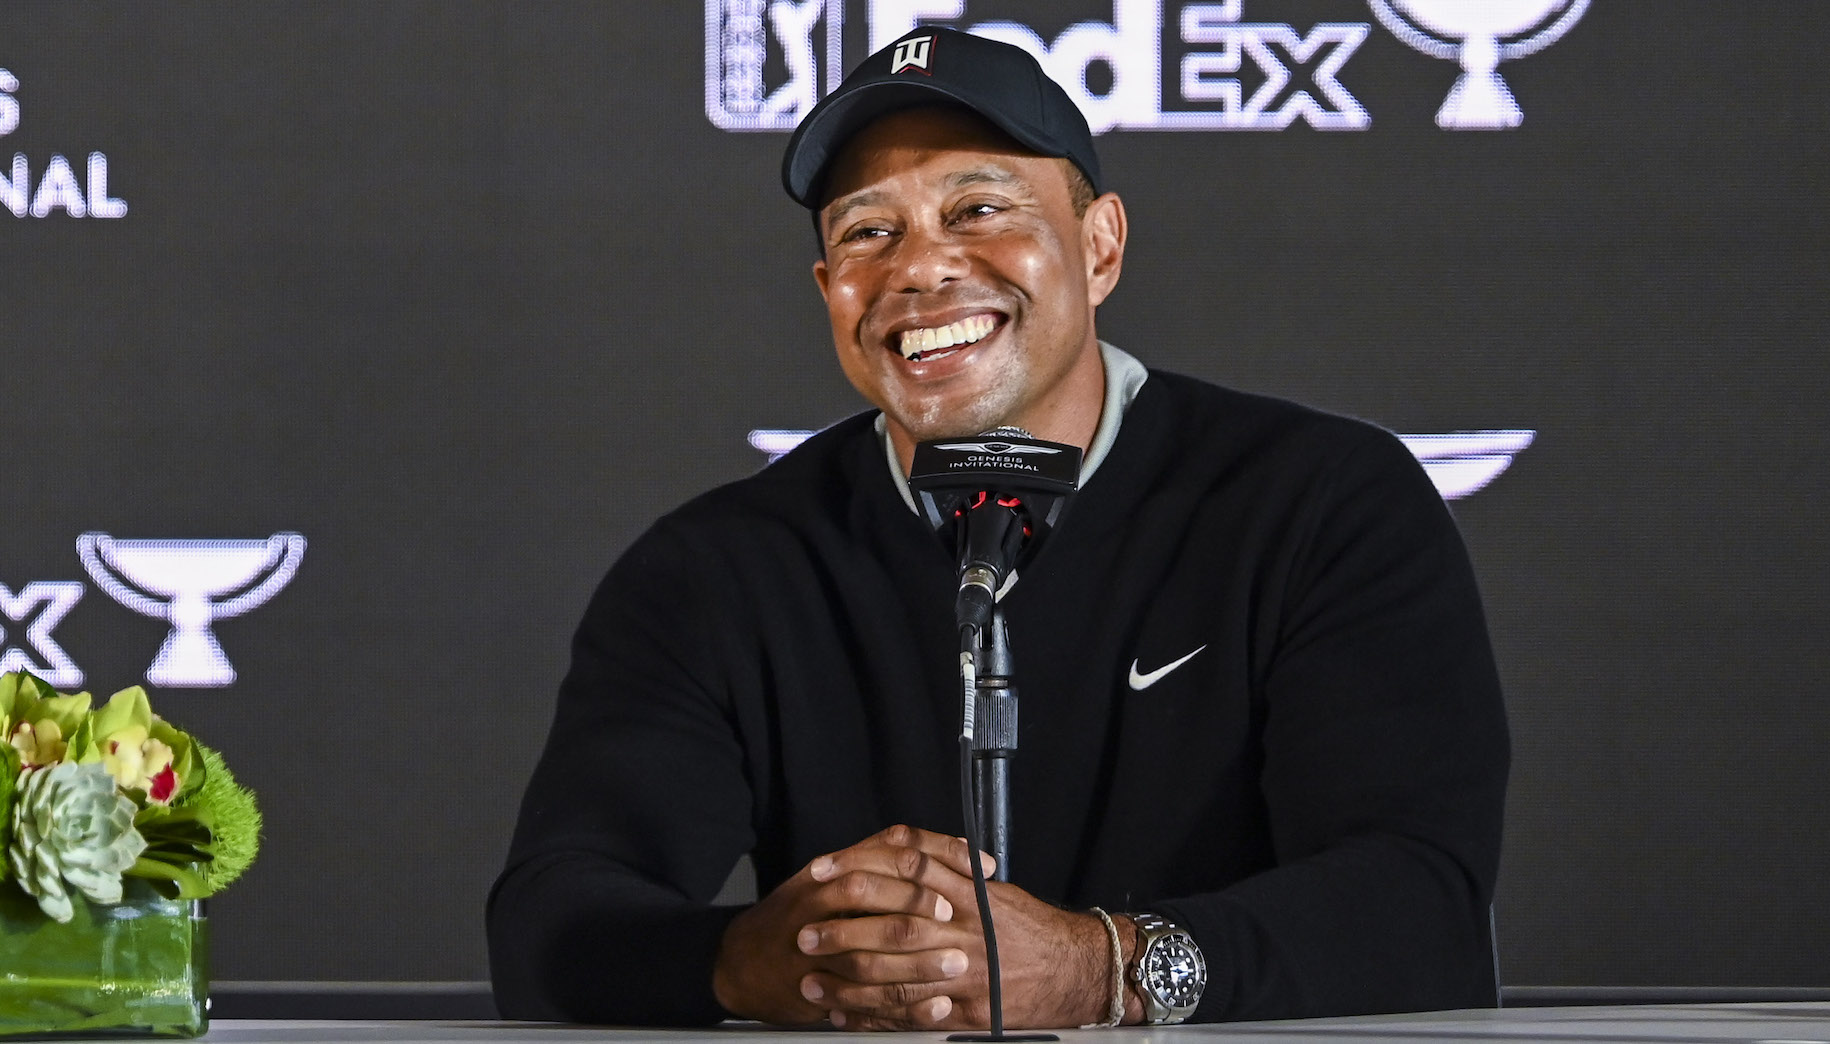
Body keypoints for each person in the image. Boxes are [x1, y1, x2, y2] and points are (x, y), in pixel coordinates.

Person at [488, 28, 1509, 1030]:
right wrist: (752, 961)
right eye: (865, 233)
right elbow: (553, 919)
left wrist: (1097, 969)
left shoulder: (1318, 502)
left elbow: (1415, 904)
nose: (921, 269)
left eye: (978, 208)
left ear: (1099, 244)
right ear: (826, 292)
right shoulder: (717, 568)